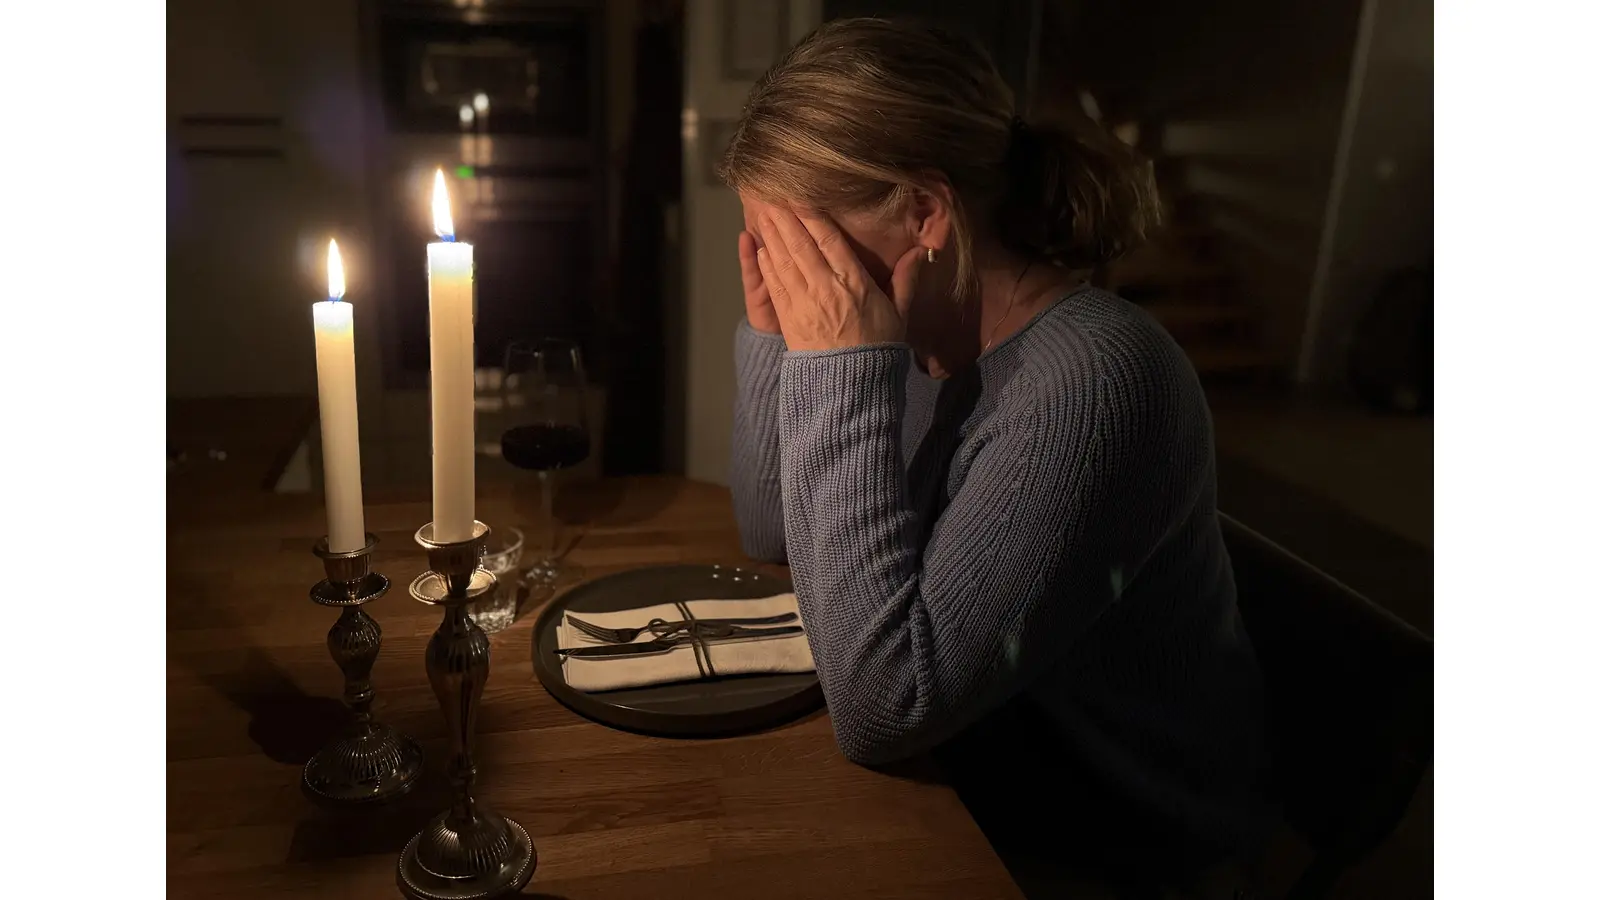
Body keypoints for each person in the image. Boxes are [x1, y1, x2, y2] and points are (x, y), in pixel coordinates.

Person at [718, 17, 1275, 893]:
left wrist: (836, 368)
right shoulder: (913, 331)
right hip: (976, 780)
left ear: (927, 213)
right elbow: (771, 531)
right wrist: (775, 334)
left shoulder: (1098, 383)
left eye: (804, 247)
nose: (791, 275)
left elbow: (886, 708)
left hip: (1107, 840)